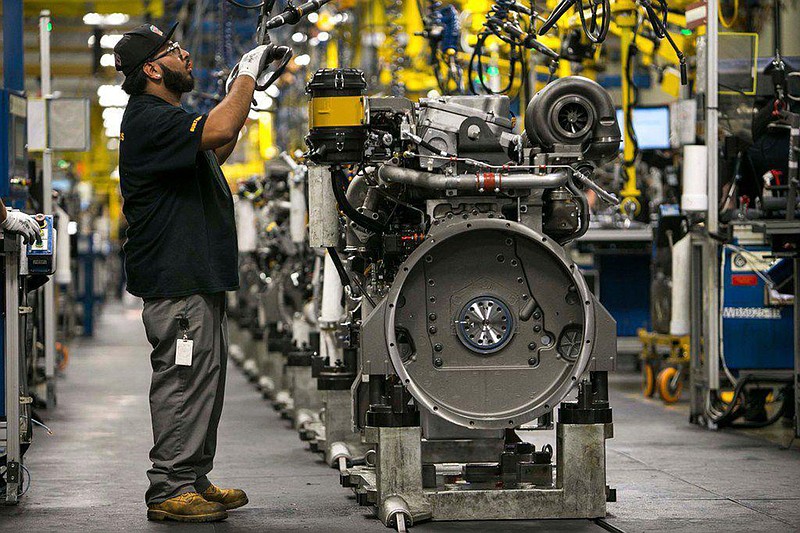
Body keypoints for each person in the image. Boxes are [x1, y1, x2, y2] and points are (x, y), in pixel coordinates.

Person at [114, 22, 271, 523]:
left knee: (203, 380)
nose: (185, 54)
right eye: (173, 51)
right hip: (176, 279)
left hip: (195, 276)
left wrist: (240, 96)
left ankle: (192, 478)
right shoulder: (147, 119)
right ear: (153, 69)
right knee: (183, 379)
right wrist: (244, 76)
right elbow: (219, 130)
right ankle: (169, 488)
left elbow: (216, 146)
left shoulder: (167, 121)